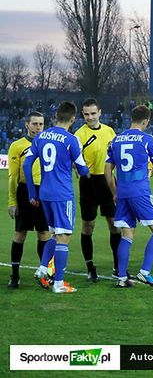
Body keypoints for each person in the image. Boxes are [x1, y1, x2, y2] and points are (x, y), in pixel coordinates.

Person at [25, 101, 90, 293]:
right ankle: (59, 283)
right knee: (65, 236)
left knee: (55, 233)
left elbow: (27, 165)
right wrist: (80, 167)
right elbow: (83, 168)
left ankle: (43, 268)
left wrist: (31, 192)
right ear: (73, 119)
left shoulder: (40, 136)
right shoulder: (71, 139)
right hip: (62, 194)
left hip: (44, 192)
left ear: (55, 117)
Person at [104, 105, 153, 288]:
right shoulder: (147, 139)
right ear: (146, 121)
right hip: (140, 192)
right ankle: (145, 272)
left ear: (132, 118)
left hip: (122, 193)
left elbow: (107, 170)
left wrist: (115, 192)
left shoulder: (116, 140)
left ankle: (122, 277)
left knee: (127, 235)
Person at [74, 98, 119, 281]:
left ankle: (118, 266)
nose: (90, 117)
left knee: (115, 224)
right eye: (86, 114)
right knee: (88, 225)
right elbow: (74, 159)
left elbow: (116, 156)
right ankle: (90, 267)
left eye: (93, 113)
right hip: (89, 182)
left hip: (108, 182)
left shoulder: (110, 131)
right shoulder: (79, 134)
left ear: (100, 112)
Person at [7, 112, 51, 288]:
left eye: (41, 124)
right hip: (25, 192)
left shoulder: (48, 144)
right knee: (20, 234)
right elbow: (12, 176)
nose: (38, 127)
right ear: (27, 125)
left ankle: (44, 275)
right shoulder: (17, 146)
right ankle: (15, 276)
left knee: (44, 234)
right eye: (34, 124)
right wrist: (12, 202)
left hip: (46, 192)